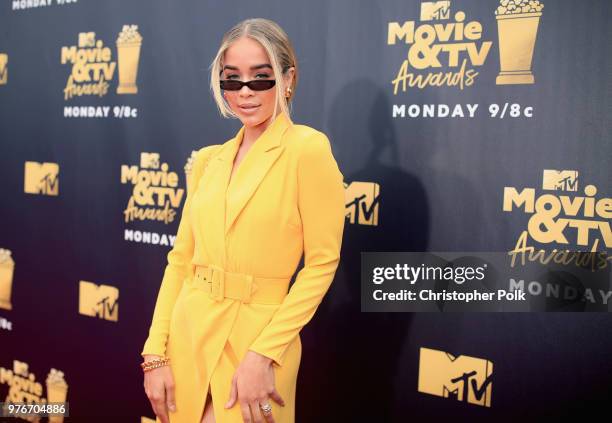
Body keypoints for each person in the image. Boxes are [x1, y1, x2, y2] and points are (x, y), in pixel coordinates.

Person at [141, 17, 346, 423]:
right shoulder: (206, 161)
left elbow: (322, 263)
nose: (245, 92)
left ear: (288, 79)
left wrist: (263, 353)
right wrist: (154, 352)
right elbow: (181, 260)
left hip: (259, 344)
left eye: (261, 78)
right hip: (189, 336)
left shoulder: (307, 150)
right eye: (232, 79)